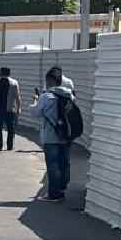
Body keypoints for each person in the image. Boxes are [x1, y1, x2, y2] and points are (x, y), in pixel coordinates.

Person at [30, 71, 75, 201]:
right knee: (64, 162)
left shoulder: (46, 96)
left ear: (49, 81)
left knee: (53, 165)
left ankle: (54, 194)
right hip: (66, 134)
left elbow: (35, 112)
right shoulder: (69, 95)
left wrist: (34, 101)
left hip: (51, 136)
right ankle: (62, 187)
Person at [0, 66, 21, 151]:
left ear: (1, 73)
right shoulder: (14, 82)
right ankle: (9, 146)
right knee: (11, 128)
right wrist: (18, 108)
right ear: (9, 73)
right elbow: (18, 97)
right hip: (10, 109)